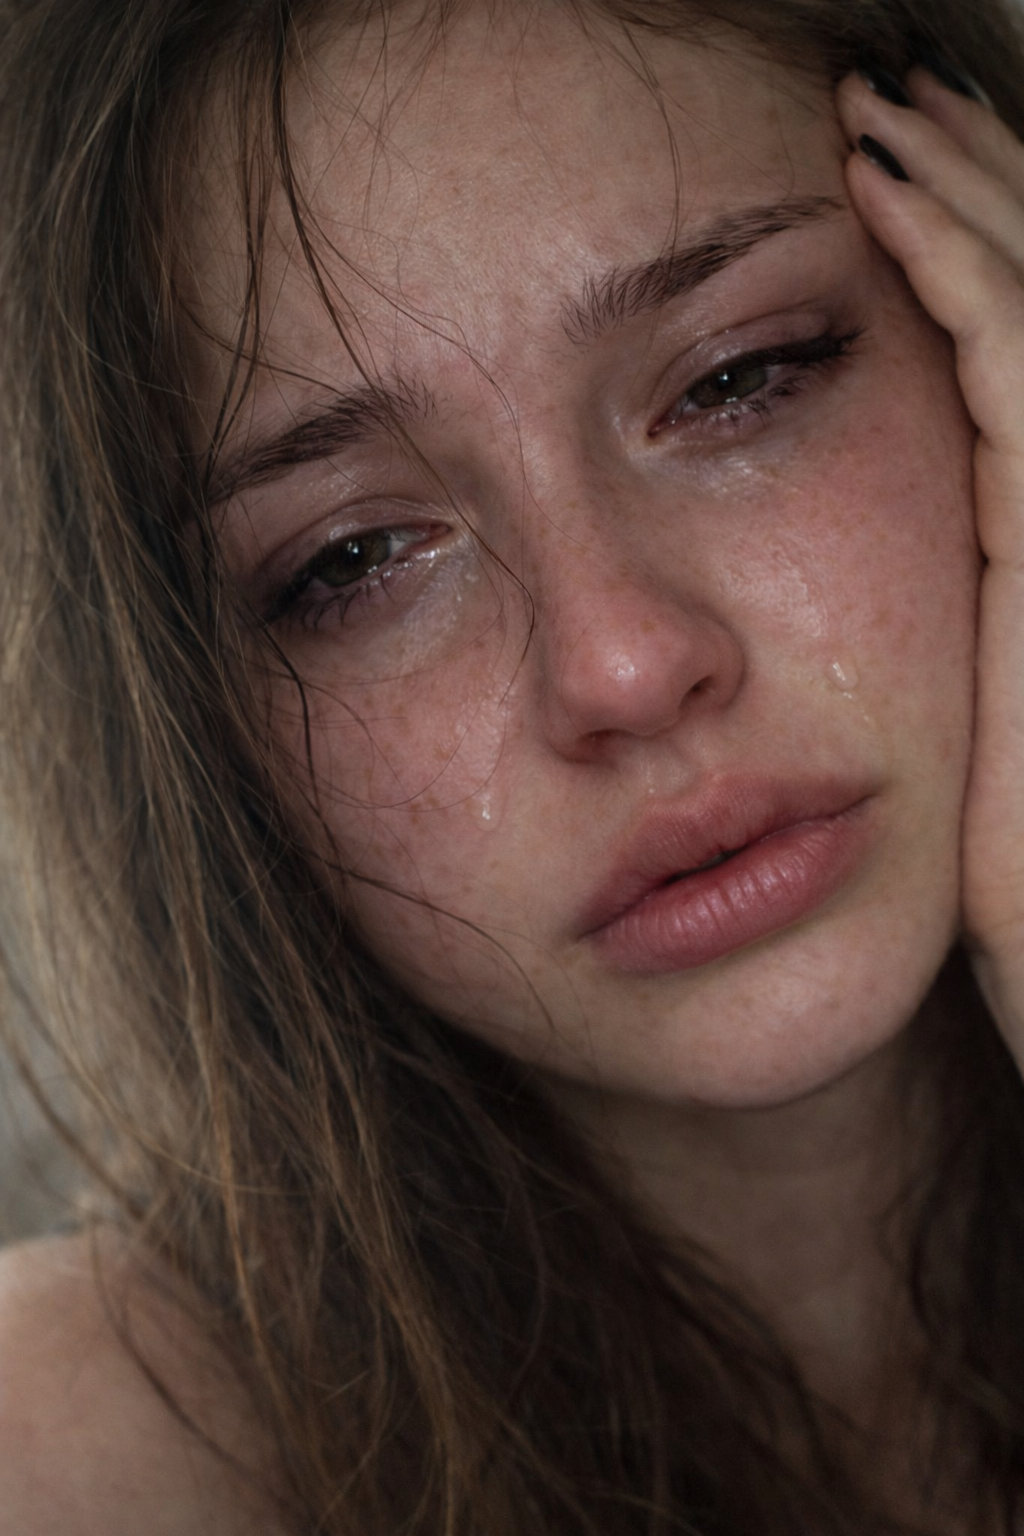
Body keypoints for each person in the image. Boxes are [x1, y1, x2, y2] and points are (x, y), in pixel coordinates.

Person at [3, 0, 1024, 1529]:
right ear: (188, 729)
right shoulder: (77, 1465)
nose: (624, 666)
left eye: (737, 378)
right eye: (355, 558)